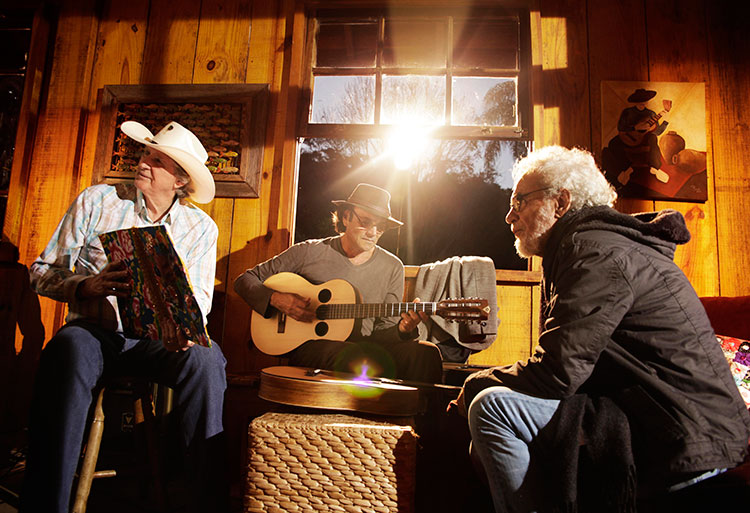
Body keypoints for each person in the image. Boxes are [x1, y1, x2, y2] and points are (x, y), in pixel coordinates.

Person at [450, 145, 750, 512]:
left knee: (492, 407)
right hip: (664, 418)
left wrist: (474, 383)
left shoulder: (594, 251)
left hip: (684, 432)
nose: (509, 216)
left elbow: (559, 373)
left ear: (560, 202)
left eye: (520, 201)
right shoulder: (588, 246)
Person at [20, 121, 228, 513]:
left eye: (157, 160)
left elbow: (199, 301)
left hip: (157, 342)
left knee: (207, 357)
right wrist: (85, 286)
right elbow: (41, 271)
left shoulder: (200, 228)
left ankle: (202, 502)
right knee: (68, 348)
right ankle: (48, 503)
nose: (144, 162)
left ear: (180, 180)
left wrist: (182, 328)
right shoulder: (97, 201)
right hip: (95, 333)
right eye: (146, 154)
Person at [234, 183, 443, 383]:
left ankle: (415, 419)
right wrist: (277, 299)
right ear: (346, 216)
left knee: (425, 354)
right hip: (314, 346)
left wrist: (403, 329)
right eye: (366, 222)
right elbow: (245, 281)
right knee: (354, 356)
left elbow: (385, 332)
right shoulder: (308, 251)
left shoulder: (392, 267)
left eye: (380, 227)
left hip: (368, 348)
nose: (372, 233)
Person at [601, 88, 672, 187]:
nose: (643, 102)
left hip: (643, 139)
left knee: (653, 138)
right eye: (640, 100)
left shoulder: (651, 114)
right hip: (628, 137)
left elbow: (657, 131)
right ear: (635, 101)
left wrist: (666, 121)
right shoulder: (627, 112)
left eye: (645, 100)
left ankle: (655, 168)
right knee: (613, 143)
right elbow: (620, 127)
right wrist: (635, 127)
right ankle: (626, 170)